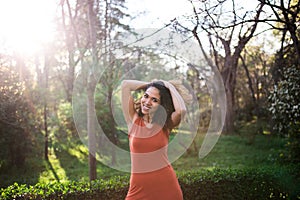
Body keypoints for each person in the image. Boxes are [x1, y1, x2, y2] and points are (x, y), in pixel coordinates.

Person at [121, 79, 187, 200]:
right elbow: (125, 85)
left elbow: (181, 111)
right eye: (146, 96)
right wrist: (153, 84)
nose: (147, 102)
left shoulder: (166, 124)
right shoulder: (133, 121)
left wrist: (168, 86)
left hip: (167, 189)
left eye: (154, 100)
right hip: (137, 191)